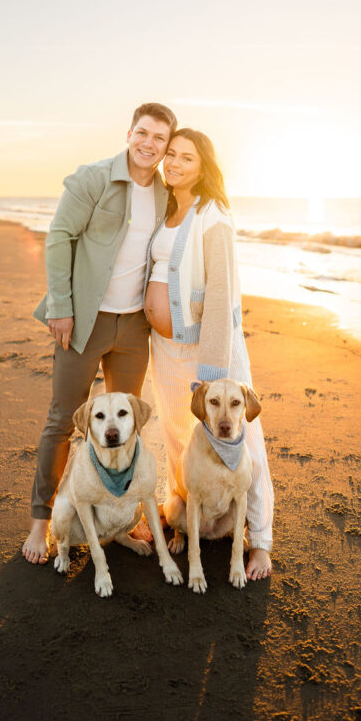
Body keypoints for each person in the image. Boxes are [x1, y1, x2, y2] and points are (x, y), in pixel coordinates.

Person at [22, 102, 177, 564]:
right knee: (63, 420)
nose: (149, 144)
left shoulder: (168, 194)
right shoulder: (92, 178)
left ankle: (121, 513)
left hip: (134, 328)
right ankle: (40, 521)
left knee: (125, 427)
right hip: (84, 321)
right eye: (143, 133)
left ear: (168, 146)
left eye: (160, 139)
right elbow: (59, 237)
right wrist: (61, 307)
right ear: (129, 132)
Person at [144, 128, 274, 580]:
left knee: (243, 444)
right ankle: (190, 521)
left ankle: (259, 543)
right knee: (181, 437)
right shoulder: (165, 206)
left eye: (187, 158)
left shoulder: (212, 212)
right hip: (166, 347)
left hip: (207, 347)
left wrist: (214, 370)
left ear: (204, 168)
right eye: (171, 155)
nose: (175, 163)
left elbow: (219, 292)